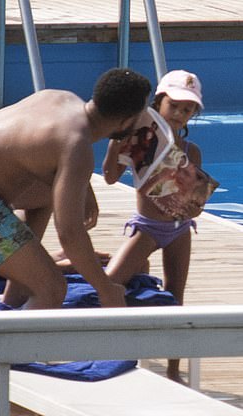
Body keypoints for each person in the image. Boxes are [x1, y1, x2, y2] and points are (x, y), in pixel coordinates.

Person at [0, 67, 152, 310]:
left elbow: (48, 156)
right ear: (126, 121)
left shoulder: (60, 97)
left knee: (46, 196)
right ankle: (9, 344)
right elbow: (70, 233)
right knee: (51, 288)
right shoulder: (76, 145)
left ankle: (15, 295)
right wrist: (105, 289)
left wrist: (83, 188)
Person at [102, 69, 204, 383]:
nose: (179, 114)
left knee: (176, 296)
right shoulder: (141, 140)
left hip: (179, 228)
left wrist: (190, 192)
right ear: (158, 103)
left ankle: (174, 371)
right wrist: (115, 147)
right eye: (173, 106)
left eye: (187, 110)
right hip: (147, 227)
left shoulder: (191, 151)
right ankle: (108, 354)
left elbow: (195, 206)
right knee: (109, 283)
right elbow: (109, 177)